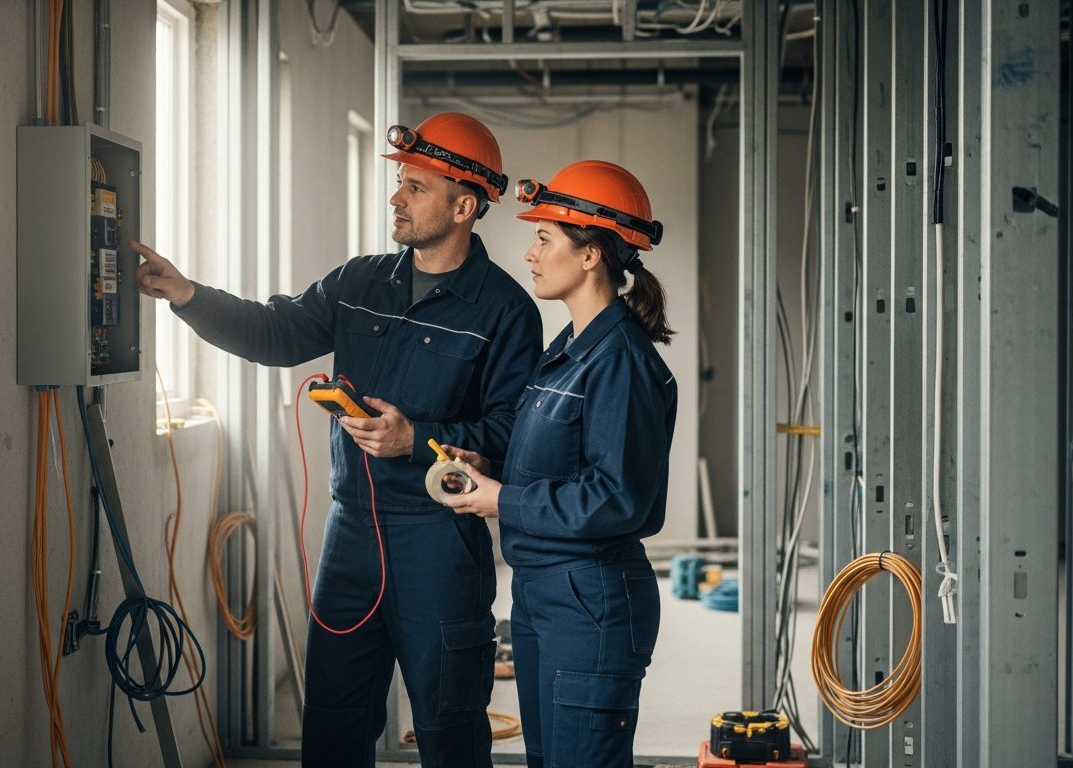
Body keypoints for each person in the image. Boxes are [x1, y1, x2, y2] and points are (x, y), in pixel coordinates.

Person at [131, 112, 542, 768]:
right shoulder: (360, 283)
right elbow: (275, 331)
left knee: (449, 728)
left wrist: (418, 438)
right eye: (400, 182)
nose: (396, 197)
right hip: (351, 537)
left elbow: (511, 436)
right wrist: (186, 295)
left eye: (416, 187)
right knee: (333, 721)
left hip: (439, 542)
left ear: (465, 206)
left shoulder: (505, 311)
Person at [441, 160, 678, 768]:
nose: (531, 254)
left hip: (591, 597)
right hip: (544, 591)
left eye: (545, 238)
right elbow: (558, 456)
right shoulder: (569, 349)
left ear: (592, 254)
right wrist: (485, 461)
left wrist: (503, 500)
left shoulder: (619, 360)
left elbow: (616, 497)